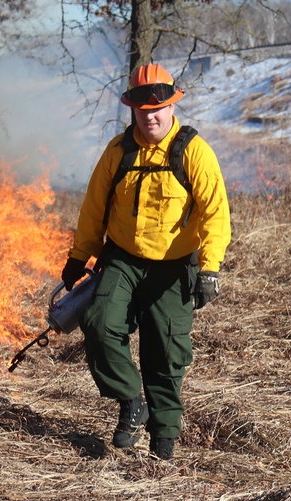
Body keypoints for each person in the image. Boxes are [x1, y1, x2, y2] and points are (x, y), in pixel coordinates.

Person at [59, 63, 232, 460]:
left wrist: (210, 268)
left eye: (158, 109)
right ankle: (130, 400)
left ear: (172, 107)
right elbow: (93, 208)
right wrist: (78, 256)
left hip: (173, 268)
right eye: (142, 110)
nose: (150, 116)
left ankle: (163, 440)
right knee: (99, 324)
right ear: (132, 110)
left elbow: (215, 214)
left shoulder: (195, 152)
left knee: (166, 351)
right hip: (122, 259)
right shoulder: (118, 153)